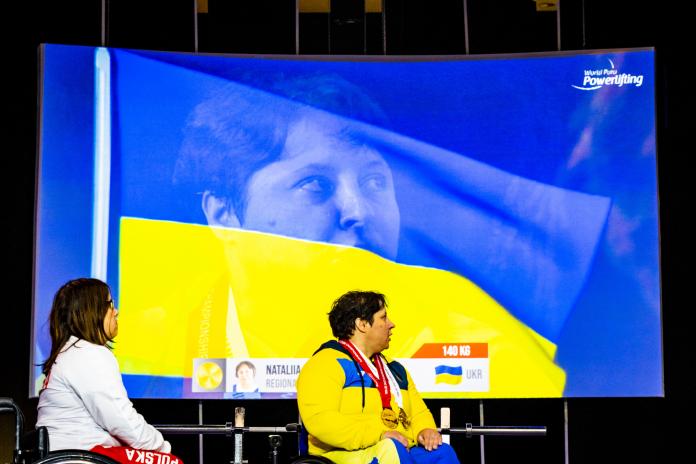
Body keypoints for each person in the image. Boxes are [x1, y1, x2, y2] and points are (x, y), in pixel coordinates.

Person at [297, 291, 460, 464]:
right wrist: (379, 435)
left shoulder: (395, 369)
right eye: (383, 318)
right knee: (390, 449)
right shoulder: (325, 363)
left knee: (442, 453)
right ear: (362, 324)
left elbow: (419, 412)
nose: (392, 324)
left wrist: (424, 430)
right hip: (341, 455)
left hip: (397, 449)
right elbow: (321, 421)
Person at [36, 278, 172, 456]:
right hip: (81, 455)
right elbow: (123, 422)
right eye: (110, 304)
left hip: (68, 454)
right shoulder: (88, 354)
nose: (116, 311)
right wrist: (163, 449)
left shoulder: (71, 353)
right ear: (92, 311)